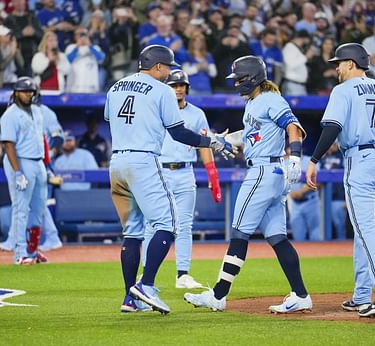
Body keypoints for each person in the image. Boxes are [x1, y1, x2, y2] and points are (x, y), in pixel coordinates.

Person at [104, 44, 234, 314]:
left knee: (132, 233)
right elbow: (179, 134)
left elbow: (111, 119)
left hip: (117, 162)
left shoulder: (116, 87)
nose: (169, 74)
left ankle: (130, 299)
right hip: (144, 160)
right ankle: (146, 285)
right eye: (168, 68)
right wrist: (213, 142)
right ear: (158, 66)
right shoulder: (162, 90)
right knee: (168, 223)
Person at [184, 55, 312, 314]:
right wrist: (223, 138)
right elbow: (252, 134)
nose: (236, 84)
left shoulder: (271, 99)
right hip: (271, 172)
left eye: (240, 79)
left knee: (239, 233)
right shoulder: (255, 102)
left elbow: (293, 128)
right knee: (277, 238)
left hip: (263, 172)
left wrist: (296, 158)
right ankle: (301, 295)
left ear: (252, 77)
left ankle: (218, 295)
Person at [305, 43, 375, 318]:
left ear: (351, 64)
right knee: (363, 228)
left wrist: (314, 159)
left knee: (365, 228)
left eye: (339, 62)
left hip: (361, 161)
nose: (336, 67)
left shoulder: (342, 90)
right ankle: (360, 295)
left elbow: (332, 126)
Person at [142, 69, 222, 290]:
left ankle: (183, 274)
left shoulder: (196, 113)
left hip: (186, 171)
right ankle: (146, 274)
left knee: (185, 225)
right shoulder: (156, 109)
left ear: (186, 88)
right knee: (152, 224)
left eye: (181, 85)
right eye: (174, 85)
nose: (178, 89)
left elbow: (204, 144)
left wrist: (212, 174)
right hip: (160, 171)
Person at [0, 76, 48, 265]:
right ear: (16, 93)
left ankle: (32, 250)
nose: (28, 95)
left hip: (38, 162)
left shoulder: (37, 111)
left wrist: (46, 165)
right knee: (21, 208)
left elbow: (40, 139)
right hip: (21, 161)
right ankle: (19, 253)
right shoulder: (10, 115)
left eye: (30, 92)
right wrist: (17, 172)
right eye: (24, 91)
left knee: (38, 208)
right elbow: (8, 145)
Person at [287, 155, 320, 241]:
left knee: (316, 235)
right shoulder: (286, 163)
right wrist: (290, 193)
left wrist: (301, 192)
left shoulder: (311, 160)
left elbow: (319, 181)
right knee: (298, 237)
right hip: (294, 203)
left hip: (311, 201)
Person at [319, 141, 347, 240]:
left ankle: (342, 249)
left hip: (338, 199)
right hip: (323, 199)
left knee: (339, 226)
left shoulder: (343, 157)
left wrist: (346, 200)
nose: (331, 146)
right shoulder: (322, 158)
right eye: (330, 144)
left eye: (334, 144)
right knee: (323, 227)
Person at [65, 26, 105, 93]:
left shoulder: (95, 47)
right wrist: (77, 47)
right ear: (75, 36)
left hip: (91, 87)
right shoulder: (70, 47)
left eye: (83, 34)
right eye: (78, 34)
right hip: (74, 87)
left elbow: (101, 58)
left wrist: (90, 46)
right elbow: (69, 60)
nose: (81, 37)